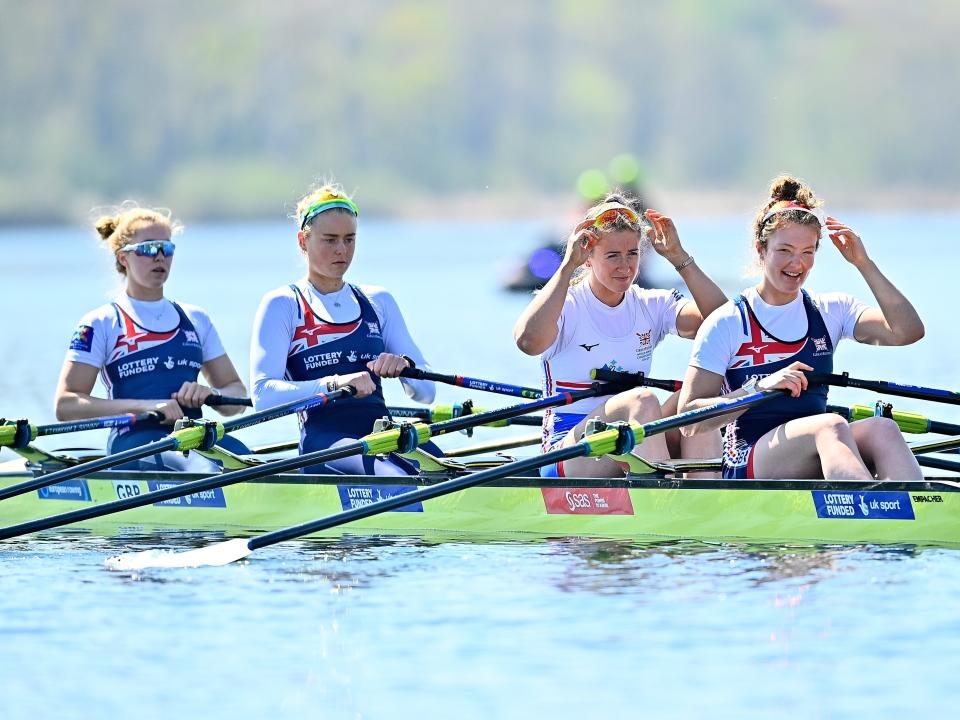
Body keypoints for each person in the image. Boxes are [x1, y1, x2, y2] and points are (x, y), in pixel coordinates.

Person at [677, 175, 925, 480]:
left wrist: (864, 263)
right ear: (761, 249)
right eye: (785, 250)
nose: (797, 264)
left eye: (808, 252)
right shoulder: (727, 322)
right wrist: (758, 388)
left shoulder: (831, 311)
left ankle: (920, 514)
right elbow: (689, 418)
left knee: (883, 429)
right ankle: (867, 511)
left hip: (817, 446)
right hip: (749, 457)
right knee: (831, 425)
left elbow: (907, 331)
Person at [513, 193, 727, 477]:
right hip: (568, 454)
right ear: (588, 258)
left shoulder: (651, 304)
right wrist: (567, 266)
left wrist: (679, 258)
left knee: (698, 401)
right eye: (613, 255)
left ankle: (705, 500)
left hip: (626, 441)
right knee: (642, 400)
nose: (625, 266)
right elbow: (528, 342)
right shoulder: (565, 304)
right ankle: (660, 499)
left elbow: (725, 326)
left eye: (632, 254)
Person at [250, 182, 437, 475]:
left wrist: (406, 368)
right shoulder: (283, 304)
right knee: (400, 477)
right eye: (330, 240)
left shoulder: (379, 301)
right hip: (324, 443)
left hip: (382, 432)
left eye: (350, 239)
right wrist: (335, 383)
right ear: (303, 241)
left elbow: (426, 393)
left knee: (453, 471)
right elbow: (263, 395)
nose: (342, 250)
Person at [55, 205, 248, 470]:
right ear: (124, 258)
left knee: (254, 464)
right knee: (205, 468)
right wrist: (144, 406)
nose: (159, 257)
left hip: (196, 438)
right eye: (148, 248)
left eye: (167, 249)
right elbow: (66, 405)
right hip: (134, 442)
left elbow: (236, 394)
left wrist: (211, 392)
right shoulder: (100, 322)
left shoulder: (196, 318)